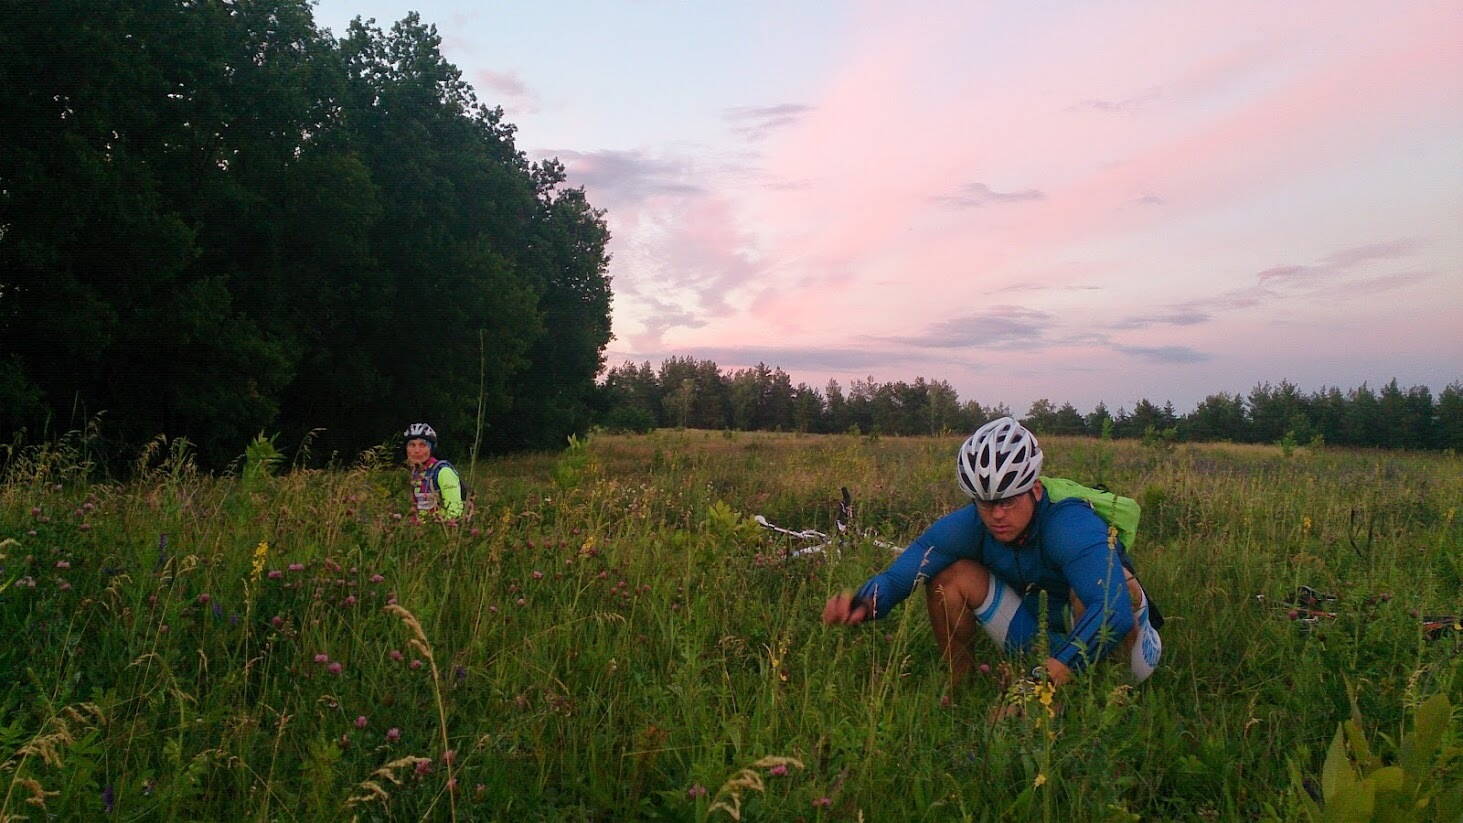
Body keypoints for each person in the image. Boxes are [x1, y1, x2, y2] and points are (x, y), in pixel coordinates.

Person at [822, 417, 1162, 709]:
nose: (997, 515)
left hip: (1119, 648)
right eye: (986, 503)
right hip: (1038, 635)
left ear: (1035, 490)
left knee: (1110, 586)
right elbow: (900, 577)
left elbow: (1112, 613)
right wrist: (864, 603)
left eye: (1008, 502)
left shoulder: (1070, 523)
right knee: (948, 577)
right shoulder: (970, 524)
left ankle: (1099, 694)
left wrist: (1037, 686)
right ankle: (962, 689)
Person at [404, 423, 466, 521]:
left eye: (422, 445)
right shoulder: (415, 473)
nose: (416, 450)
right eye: (412, 445)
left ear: (431, 448)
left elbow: (455, 512)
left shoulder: (443, 472)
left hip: (442, 527)